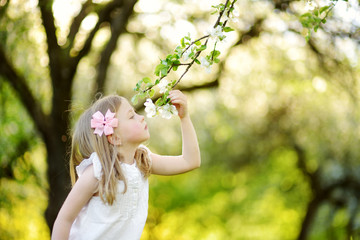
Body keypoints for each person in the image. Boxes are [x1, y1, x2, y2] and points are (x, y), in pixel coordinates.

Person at [51, 90, 201, 240]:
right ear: (115, 138)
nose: (141, 117)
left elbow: (190, 161)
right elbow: (64, 219)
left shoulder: (143, 160)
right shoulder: (97, 172)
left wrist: (184, 117)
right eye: (131, 116)